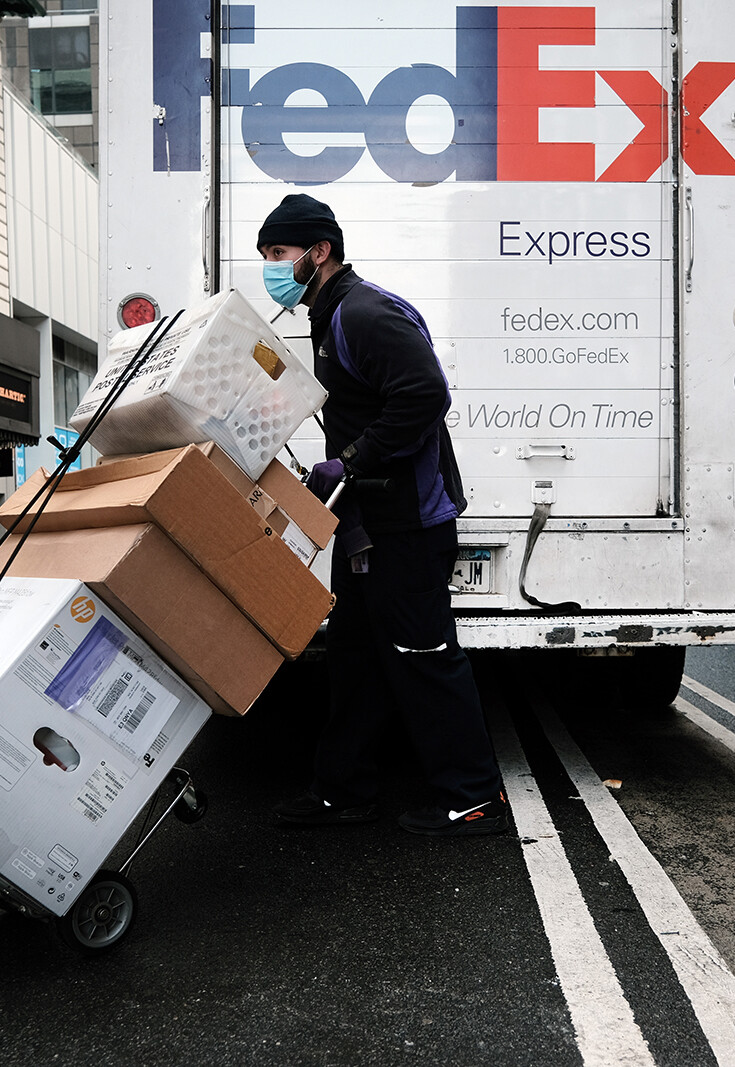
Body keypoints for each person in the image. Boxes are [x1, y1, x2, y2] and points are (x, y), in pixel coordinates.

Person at [257, 193, 506, 836]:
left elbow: (425, 394)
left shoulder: (364, 313)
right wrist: (337, 466)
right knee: (357, 658)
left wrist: (354, 459)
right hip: (368, 525)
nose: (273, 266)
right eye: (266, 256)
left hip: (409, 524)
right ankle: (344, 791)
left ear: (321, 252)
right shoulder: (328, 315)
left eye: (280, 254)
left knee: (422, 653)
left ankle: (473, 796)